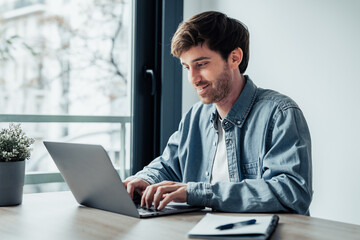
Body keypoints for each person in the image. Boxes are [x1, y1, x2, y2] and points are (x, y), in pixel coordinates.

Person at [124, 11, 312, 215]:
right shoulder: (196, 116)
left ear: (234, 58)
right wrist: (143, 180)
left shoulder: (280, 114)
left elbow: (291, 192)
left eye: (201, 64)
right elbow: (169, 165)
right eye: (187, 67)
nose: (193, 78)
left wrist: (197, 192)